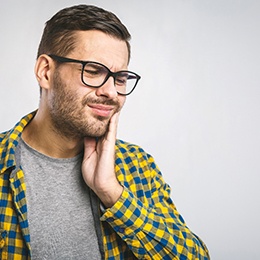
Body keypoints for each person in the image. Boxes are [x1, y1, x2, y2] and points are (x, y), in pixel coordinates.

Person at [0, 4, 210, 260]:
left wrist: (112, 193)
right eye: (93, 71)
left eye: (120, 78)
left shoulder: (137, 165)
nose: (111, 92)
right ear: (46, 72)